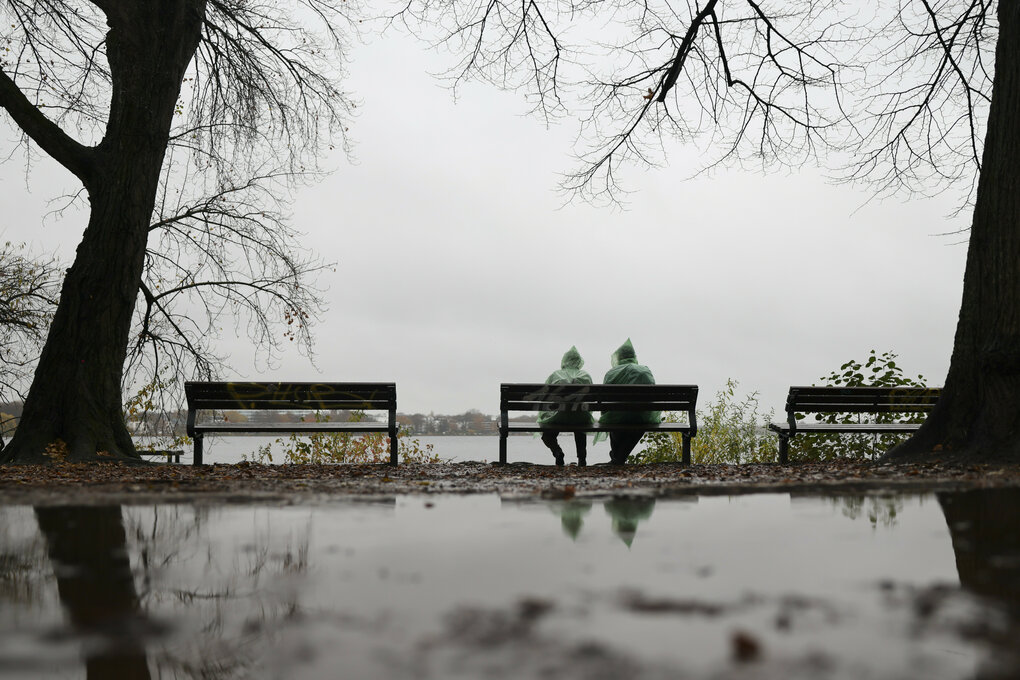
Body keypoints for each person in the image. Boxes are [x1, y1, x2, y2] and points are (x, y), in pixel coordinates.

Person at [598, 338, 660, 465]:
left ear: (618, 357)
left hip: (617, 417)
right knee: (638, 419)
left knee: (615, 417)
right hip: (641, 417)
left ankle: (617, 459)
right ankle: (618, 458)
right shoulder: (645, 371)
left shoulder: (611, 373)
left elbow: (605, 402)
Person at [538, 345, 594, 466]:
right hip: (581, 417)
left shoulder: (555, 375)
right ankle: (582, 458)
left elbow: (544, 399)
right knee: (580, 422)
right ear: (579, 361)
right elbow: (591, 401)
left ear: (564, 360)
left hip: (559, 417)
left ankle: (557, 452)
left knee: (547, 434)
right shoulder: (585, 376)